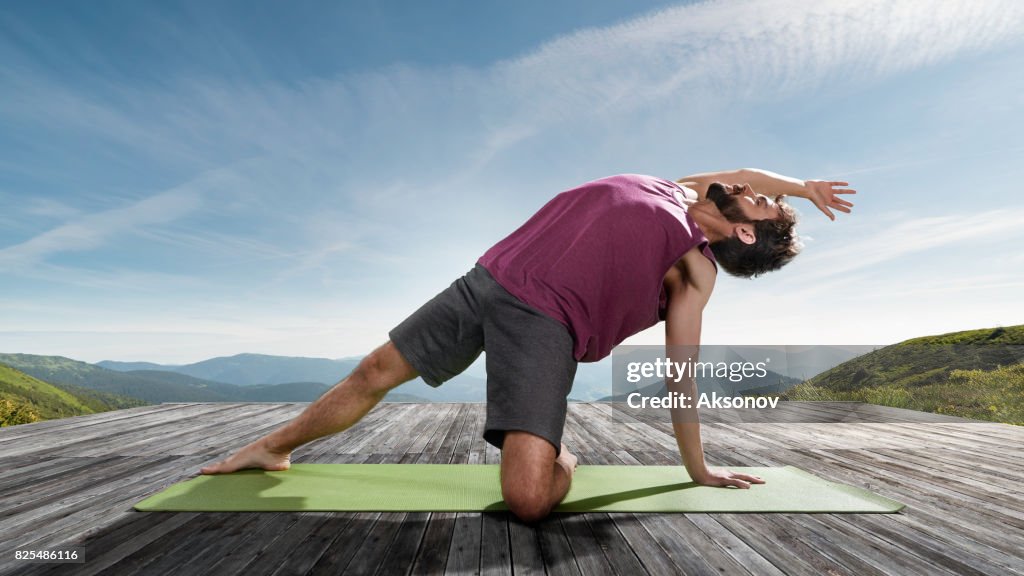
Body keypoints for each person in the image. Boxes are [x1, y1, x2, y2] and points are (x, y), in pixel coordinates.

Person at [201, 168, 855, 522]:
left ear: (745, 235)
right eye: (764, 193)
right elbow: (745, 168)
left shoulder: (695, 269)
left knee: (528, 503)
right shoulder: (683, 188)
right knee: (375, 368)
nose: (752, 188)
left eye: (763, 203)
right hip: (491, 277)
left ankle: (556, 451)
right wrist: (803, 189)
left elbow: (680, 373)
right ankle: (272, 450)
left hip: (546, 325)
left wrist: (698, 470)